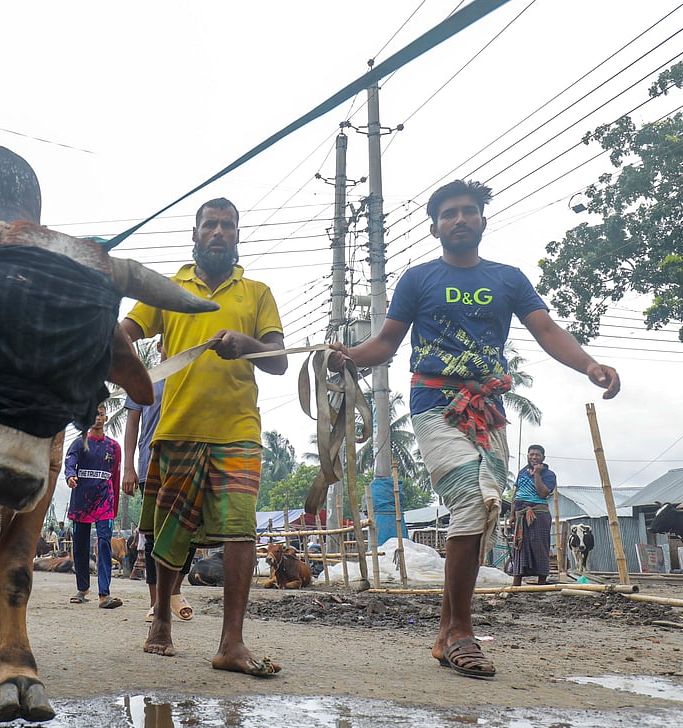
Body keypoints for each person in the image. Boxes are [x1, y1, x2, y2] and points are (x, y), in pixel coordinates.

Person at [328, 179, 619, 679]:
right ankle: (461, 632)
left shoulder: (508, 279)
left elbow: (546, 330)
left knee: (485, 507)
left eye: (468, 211)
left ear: (483, 220)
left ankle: (446, 634)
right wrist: (347, 356)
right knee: (471, 498)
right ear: (435, 227)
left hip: (488, 408)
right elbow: (386, 343)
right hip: (434, 404)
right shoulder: (418, 279)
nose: (459, 219)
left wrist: (590, 365)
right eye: (449, 214)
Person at [121, 197, 287, 677]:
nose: (218, 232)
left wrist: (246, 345)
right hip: (177, 428)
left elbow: (278, 360)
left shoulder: (257, 293)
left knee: (241, 531)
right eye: (210, 225)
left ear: (237, 235)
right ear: (194, 234)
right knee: (169, 532)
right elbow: (123, 332)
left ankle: (232, 643)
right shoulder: (168, 289)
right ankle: (161, 621)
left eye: (227, 225)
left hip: (239, 431)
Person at [121, 338, 196, 623]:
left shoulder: (191, 377)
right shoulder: (145, 379)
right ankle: (156, 603)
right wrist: (129, 467)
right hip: (150, 465)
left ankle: (174, 591)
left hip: (186, 462)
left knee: (190, 531)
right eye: (168, 342)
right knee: (153, 535)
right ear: (159, 347)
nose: (173, 346)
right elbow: (132, 426)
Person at [64, 406, 123, 609]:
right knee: (80, 545)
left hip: (105, 500)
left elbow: (115, 476)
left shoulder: (114, 447)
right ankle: (82, 589)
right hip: (82, 500)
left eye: (101, 414)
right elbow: (70, 463)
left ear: (106, 418)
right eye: (94, 414)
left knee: (104, 543)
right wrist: (70, 477)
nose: (98, 418)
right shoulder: (79, 443)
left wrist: (114, 507)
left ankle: (104, 594)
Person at [510, 445, 557, 586]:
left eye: (537, 455)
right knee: (519, 546)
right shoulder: (522, 472)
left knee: (540, 546)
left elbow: (543, 494)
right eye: (531, 454)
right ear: (528, 456)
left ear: (543, 457)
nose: (534, 457)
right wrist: (512, 514)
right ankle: (516, 583)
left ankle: (541, 582)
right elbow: (516, 494)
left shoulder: (549, 475)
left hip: (539, 514)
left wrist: (537, 474)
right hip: (520, 513)